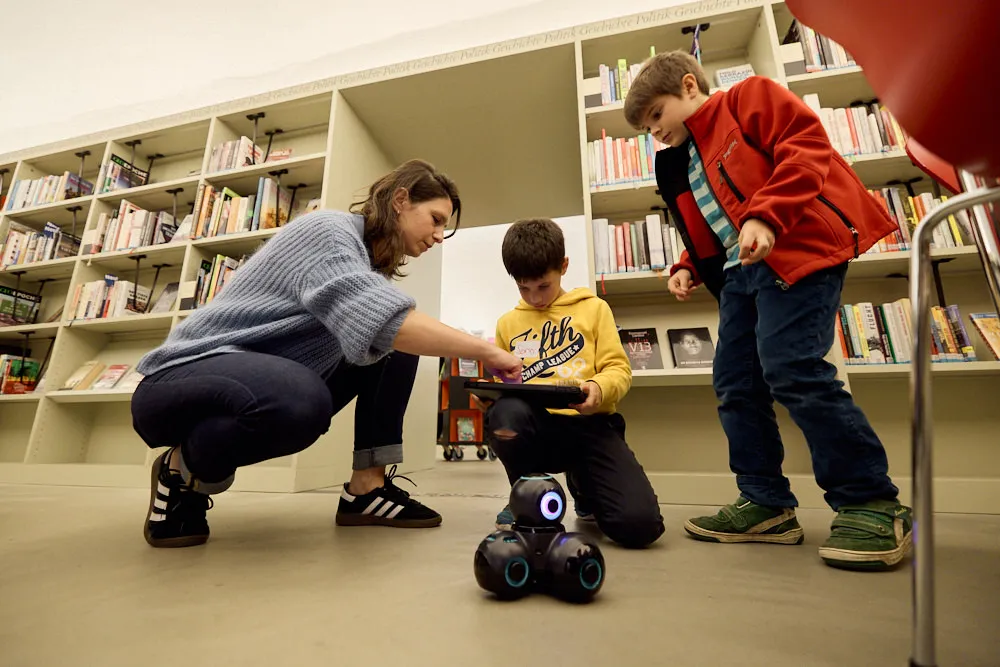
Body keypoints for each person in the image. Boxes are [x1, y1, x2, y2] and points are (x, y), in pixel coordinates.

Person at [131, 159, 522, 548]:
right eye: (436, 219)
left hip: (253, 382)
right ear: (401, 200)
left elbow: (389, 327)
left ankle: (366, 489)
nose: (439, 236)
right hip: (180, 377)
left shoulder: (368, 267)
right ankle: (178, 469)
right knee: (304, 397)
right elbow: (389, 319)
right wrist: (490, 352)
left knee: (392, 349)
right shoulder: (327, 231)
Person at [623, 51, 911, 571]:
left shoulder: (748, 98)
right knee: (735, 383)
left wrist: (768, 216)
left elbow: (806, 147)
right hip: (740, 273)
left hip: (796, 252)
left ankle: (871, 500)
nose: (655, 133)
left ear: (689, 87)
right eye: (647, 128)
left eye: (656, 117)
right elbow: (712, 221)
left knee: (793, 369)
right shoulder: (683, 158)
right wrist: (687, 262)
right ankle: (765, 503)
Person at [480, 218, 664, 549]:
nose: (534, 298)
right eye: (523, 288)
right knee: (506, 412)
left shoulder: (594, 309)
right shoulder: (507, 323)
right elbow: (506, 382)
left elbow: (618, 368)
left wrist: (599, 388)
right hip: (537, 428)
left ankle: (583, 485)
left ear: (563, 266)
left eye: (543, 286)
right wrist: (490, 395)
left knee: (640, 527)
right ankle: (523, 495)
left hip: (591, 426)